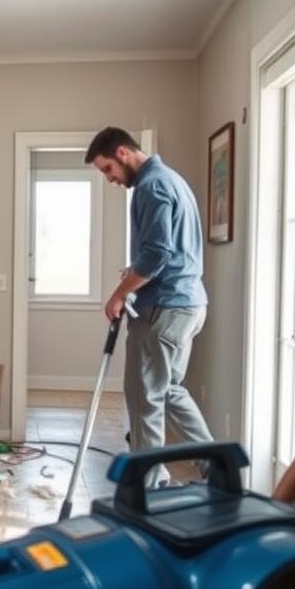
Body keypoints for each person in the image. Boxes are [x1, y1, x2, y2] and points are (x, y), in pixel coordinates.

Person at [85, 127, 213, 486]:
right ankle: (217, 467)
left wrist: (117, 294)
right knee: (168, 390)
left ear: (123, 152)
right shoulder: (173, 180)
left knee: (145, 398)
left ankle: (148, 485)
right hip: (187, 303)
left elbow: (158, 253)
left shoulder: (151, 186)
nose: (109, 179)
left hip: (164, 307)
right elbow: (164, 251)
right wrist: (134, 273)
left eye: (107, 168)